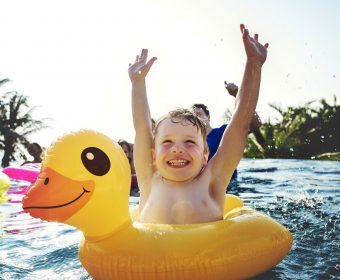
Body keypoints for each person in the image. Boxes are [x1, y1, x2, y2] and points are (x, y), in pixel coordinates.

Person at [128, 24, 268, 224]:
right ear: (152, 154)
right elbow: (142, 127)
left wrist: (254, 64)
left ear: (205, 156)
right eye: (167, 141)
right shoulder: (149, 180)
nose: (177, 149)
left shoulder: (212, 180)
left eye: (189, 142)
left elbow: (239, 124)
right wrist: (137, 83)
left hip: (210, 253)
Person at [192, 81, 262, 179]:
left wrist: (237, 94)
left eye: (199, 114)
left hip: (230, 187)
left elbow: (255, 124)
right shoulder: (191, 143)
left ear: (208, 117)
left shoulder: (223, 132)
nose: (196, 118)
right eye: (192, 117)